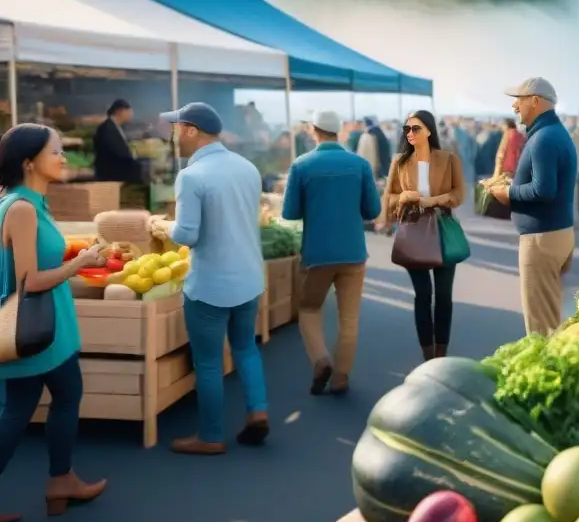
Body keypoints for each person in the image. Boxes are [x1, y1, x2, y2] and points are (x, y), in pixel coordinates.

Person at [0, 124, 108, 522]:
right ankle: (61, 482)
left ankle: (62, 480)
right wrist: (80, 263)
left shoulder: (27, 203)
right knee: (62, 396)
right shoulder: (23, 209)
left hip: (36, 328)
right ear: (29, 162)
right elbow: (30, 281)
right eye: (55, 152)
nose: (63, 158)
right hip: (37, 330)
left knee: (20, 408)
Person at [149, 103, 269, 455]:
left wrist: (159, 225)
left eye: (176, 128)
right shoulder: (248, 168)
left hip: (210, 286)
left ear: (190, 130)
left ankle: (211, 436)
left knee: (209, 362)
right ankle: (258, 411)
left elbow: (187, 235)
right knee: (246, 348)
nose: (173, 136)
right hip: (249, 278)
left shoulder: (191, 176)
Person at [282, 111, 381, 394]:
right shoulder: (359, 164)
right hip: (353, 252)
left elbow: (290, 212)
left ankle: (320, 359)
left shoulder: (301, 165)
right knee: (348, 319)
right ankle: (340, 377)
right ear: (339, 132)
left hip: (317, 253)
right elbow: (372, 211)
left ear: (314, 130)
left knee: (309, 308)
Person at [489, 78, 576, 336]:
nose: (515, 106)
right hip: (553, 234)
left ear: (535, 101)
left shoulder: (543, 139)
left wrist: (507, 191)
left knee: (541, 328)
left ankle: (548, 374)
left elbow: (543, 190)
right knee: (548, 317)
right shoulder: (551, 133)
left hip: (542, 240)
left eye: (519, 99)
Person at [385, 110, 466, 360]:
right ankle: (428, 356)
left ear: (429, 130)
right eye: (407, 129)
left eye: (416, 128)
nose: (410, 133)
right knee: (423, 295)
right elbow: (388, 200)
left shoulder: (449, 159)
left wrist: (433, 200)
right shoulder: (399, 162)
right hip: (413, 230)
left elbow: (459, 194)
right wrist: (405, 197)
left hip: (443, 228)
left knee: (443, 295)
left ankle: (441, 353)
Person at [93, 99, 141, 183]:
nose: (131, 115)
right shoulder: (107, 129)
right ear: (120, 111)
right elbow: (117, 152)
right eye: (128, 112)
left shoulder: (115, 127)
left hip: (117, 175)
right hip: (111, 177)